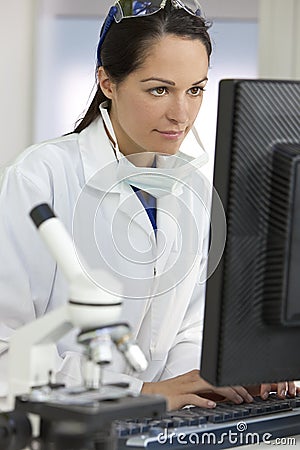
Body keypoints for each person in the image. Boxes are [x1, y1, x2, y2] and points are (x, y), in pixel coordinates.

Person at [0, 0, 297, 411]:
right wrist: (140, 394)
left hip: (158, 429)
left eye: (195, 90)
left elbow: (190, 325)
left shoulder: (192, 186)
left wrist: (212, 380)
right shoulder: (39, 177)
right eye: (160, 89)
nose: (182, 114)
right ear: (107, 82)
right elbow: (5, 344)